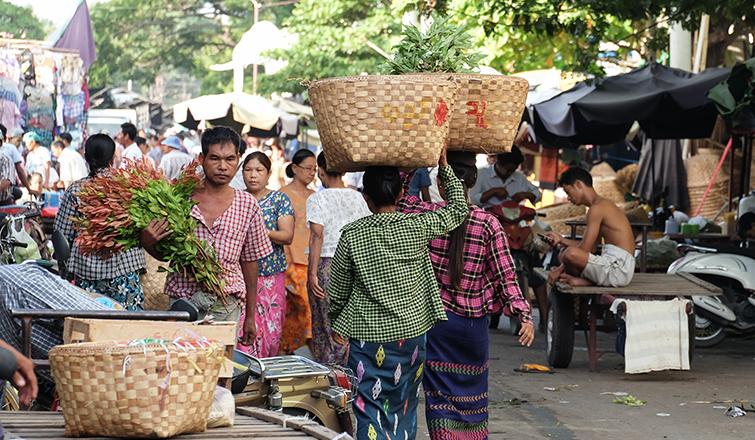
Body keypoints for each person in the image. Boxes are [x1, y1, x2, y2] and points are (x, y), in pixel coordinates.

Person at [327, 150, 469, 440]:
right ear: (402, 192)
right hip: (412, 336)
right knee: (404, 406)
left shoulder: (352, 234)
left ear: (365, 197)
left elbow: (338, 290)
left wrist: (336, 321)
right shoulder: (417, 225)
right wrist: (444, 169)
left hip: (367, 338)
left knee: (368, 406)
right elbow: (458, 210)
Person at [398, 152, 534, 439]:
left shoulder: (427, 218)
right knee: (473, 403)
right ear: (473, 181)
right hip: (473, 332)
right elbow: (506, 276)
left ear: (440, 181)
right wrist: (523, 315)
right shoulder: (489, 223)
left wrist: (421, 159)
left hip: (437, 327)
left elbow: (398, 197)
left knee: (440, 401)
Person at [141, 126, 273, 345]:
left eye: (230, 159)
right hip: (183, 304)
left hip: (226, 304)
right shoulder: (180, 199)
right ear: (201, 159)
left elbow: (250, 262)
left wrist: (251, 316)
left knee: (219, 371)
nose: (223, 166)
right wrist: (148, 242)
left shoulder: (247, 204)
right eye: (215, 158)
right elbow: (165, 254)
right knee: (182, 369)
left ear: (238, 160)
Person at [54, 134, 148, 310]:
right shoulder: (130, 188)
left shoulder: (76, 190)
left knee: (91, 324)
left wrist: (63, 269)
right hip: (125, 270)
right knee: (128, 324)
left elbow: (62, 235)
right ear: (113, 158)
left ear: (86, 158)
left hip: (86, 272)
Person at [306, 152, 371, 365]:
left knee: (325, 322)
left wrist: (312, 273)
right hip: (354, 264)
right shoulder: (358, 197)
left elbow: (317, 235)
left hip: (327, 264)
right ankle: (352, 374)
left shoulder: (317, 198)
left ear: (321, 171)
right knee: (350, 321)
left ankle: (331, 374)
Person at [240, 152, 295, 357]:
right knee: (243, 331)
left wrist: (259, 232)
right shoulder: (238, 199)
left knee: (270, 333)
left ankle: (264, 375)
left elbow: (287, 235)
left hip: (270, 277)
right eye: (248, 170)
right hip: (241, 277)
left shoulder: (279, 199)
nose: (253, 175)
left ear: (268, 173)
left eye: (259, 170)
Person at [547, 167, 636, 287]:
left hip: (619, 269)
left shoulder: (597, 209)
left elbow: (584, 249)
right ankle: (583, 281)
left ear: (578, 184)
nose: (568, 198)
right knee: (564, 253)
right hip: (619, 268)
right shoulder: (598, 206)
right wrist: (561, 240)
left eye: (568, 192)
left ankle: (584, 281)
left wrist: (558, 270)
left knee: (568, 254)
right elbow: (592, 248)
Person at [279, 149, 316, 354]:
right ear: (295, 168)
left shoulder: (314, 195)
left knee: (302, 310)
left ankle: (292, 351)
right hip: (291, 261)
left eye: (315, 169)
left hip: (311, 260)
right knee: (298, 308)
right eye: (308, 168)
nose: (312, 173)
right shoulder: (283, 195)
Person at [470, 146, 541, 208]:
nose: (510, 173)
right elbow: (472, 200)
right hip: (487, 217)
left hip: (512, 217)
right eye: (507, 170)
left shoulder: (519, 177)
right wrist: (492, 192)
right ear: (498, 163)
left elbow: (538, 194)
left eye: (513, 170)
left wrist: (526, 195)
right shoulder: (481, 174)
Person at [0, 124, 31, 198]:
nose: (19, 143)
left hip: (4, 201)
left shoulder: (6, 159)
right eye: (18, 140)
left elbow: (6, 182)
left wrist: (29, 189)